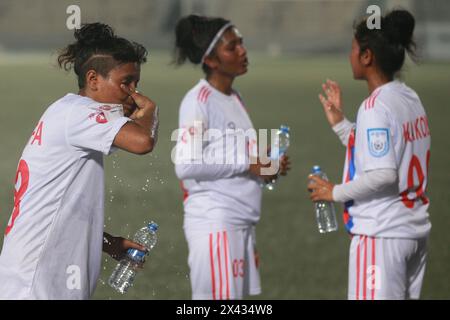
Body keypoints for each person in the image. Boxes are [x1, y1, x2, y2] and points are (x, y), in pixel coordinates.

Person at [0, 23, 159, 299]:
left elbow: (56, 210)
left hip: (32, 274)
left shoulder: (67, 112)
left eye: (136, 83)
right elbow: (143, 142)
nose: (134, 93)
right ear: (94, 79)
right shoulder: (80, 113)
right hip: (37, 283)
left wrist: (109, 242)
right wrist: (149, 113)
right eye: (126, 83)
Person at [308, 10, 431, 300]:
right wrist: (341, 124)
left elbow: (383, 173)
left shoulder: (375, 106)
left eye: (353, 49)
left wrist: (333, 191)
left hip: (381, 235)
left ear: (367, 56)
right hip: (412, 230)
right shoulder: (408, 97)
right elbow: (386, 150)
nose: (349, 55)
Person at [173, 15, 290, 300]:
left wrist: (265, 167)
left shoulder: (233, 97)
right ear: (211, 60)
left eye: (241, 43)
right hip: (215, 224)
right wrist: (250, 163)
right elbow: (186, 164)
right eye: (232, 47)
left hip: (238, 225)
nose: (242, 51)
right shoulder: (197, 101)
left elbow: (230, 157)